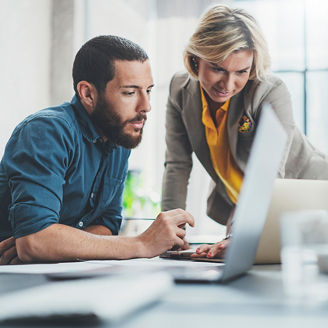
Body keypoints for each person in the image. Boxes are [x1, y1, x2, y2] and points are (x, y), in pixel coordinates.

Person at [0, 35, 194, 265]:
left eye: (148, 90)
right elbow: (35, 242)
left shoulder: (117, 136)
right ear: (87, 94)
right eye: (130, 93)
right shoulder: (46, 131)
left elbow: (107, 224)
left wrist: (56, 240)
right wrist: (141, 243)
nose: (146, 106)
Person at [161, 4, 328, 259]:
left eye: (241, 71)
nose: (228, 85)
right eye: (218, 68)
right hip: (243, 207)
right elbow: (177, 165)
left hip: (308, 199)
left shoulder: (270, 92)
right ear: (196, 58)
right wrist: (170, 234)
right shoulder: (179, 91)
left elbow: (269, 175)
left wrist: (236, 235)